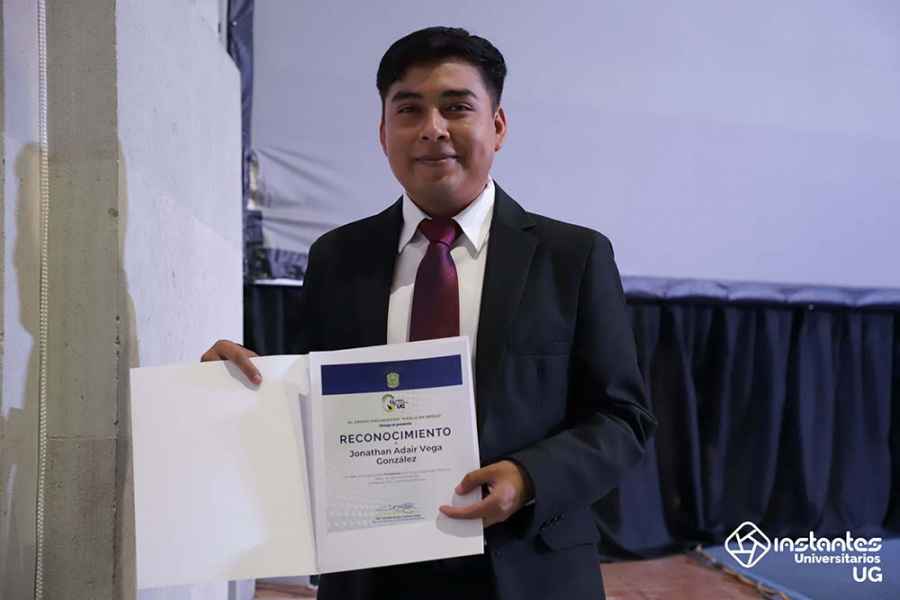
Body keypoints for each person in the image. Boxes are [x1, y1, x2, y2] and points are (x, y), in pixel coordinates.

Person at [203, 26, 656, 600]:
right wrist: (238, 386)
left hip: (525, 568)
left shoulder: (573, 257)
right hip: (371, 575)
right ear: (383, 133)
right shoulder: (337, 257)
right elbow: (314, 401)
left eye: (456, 107)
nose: (432, 129)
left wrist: (527, 479)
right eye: (409, 109)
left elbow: (622, 419)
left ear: (498, 126)